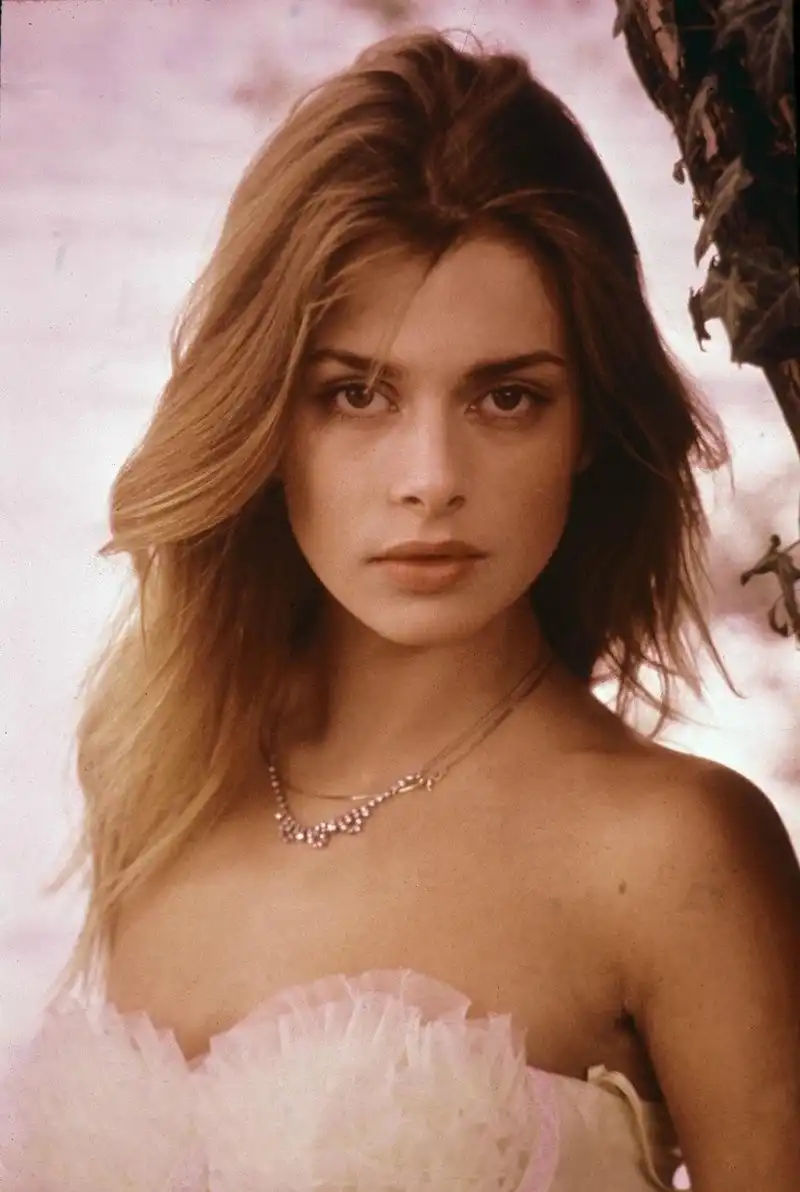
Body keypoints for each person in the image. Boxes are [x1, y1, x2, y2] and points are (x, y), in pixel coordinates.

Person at [2, 26, 798, 1192]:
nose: (430, 477)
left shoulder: (674, 853)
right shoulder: (163, 787)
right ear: (267, 418)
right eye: (356, 394)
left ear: (586, 429)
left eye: (505, 397)